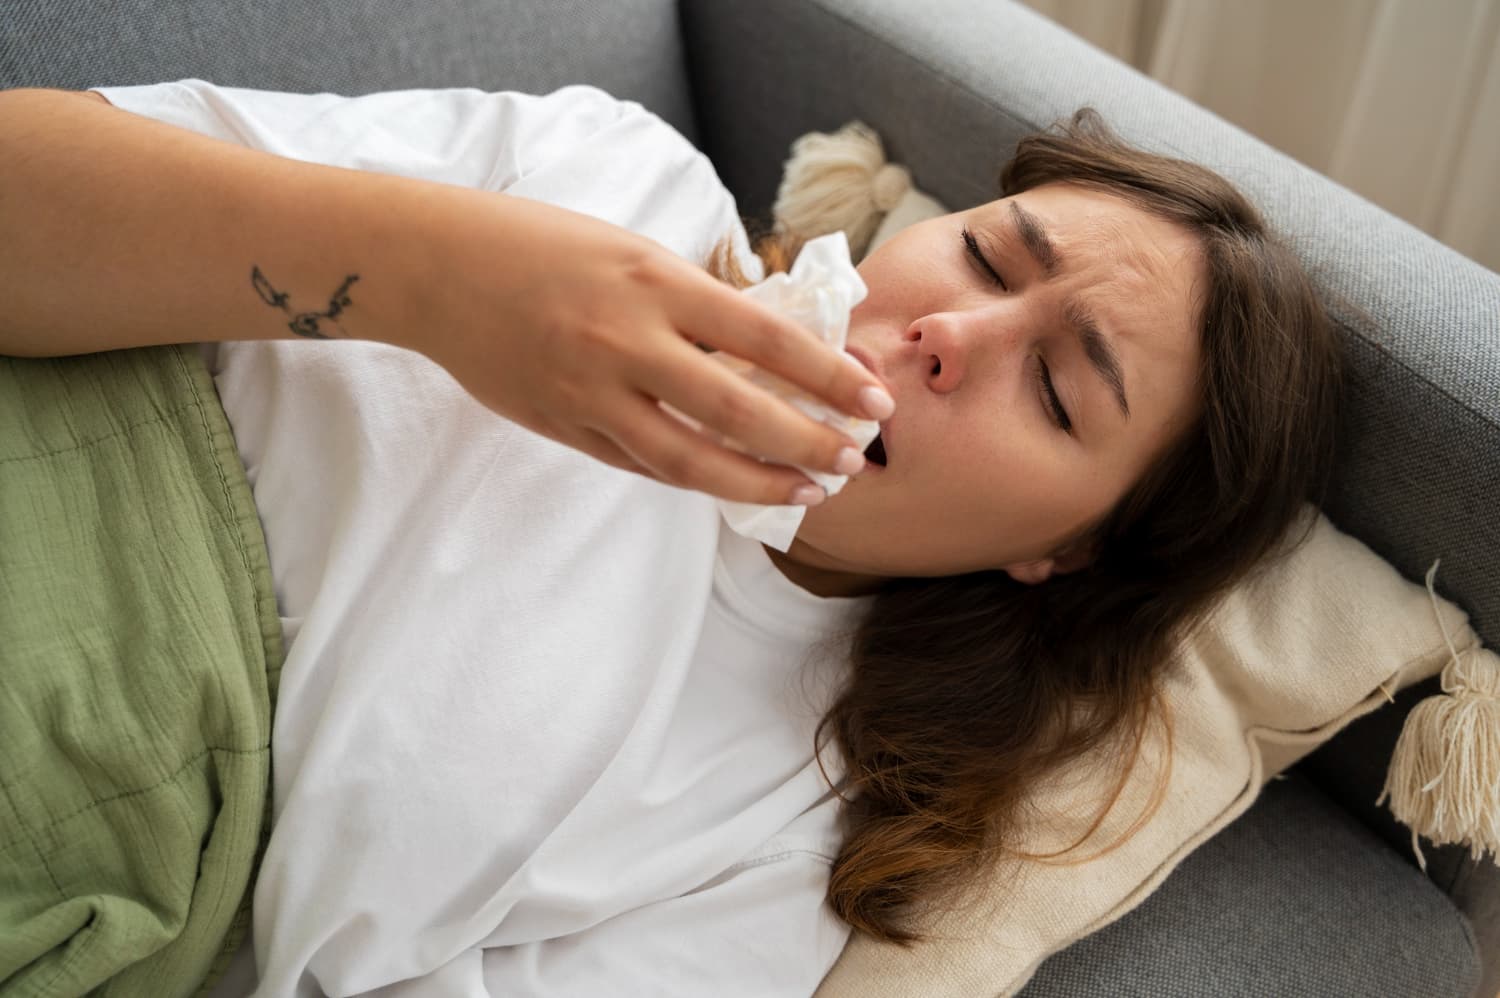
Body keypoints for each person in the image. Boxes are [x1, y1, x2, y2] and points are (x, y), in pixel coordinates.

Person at [0, 81, 1341, 997]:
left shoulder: (805, 823)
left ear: (1068, 552)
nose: (951, 334)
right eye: (990, 259)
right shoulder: (617, 184)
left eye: (1056, 389)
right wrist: (436, 278)